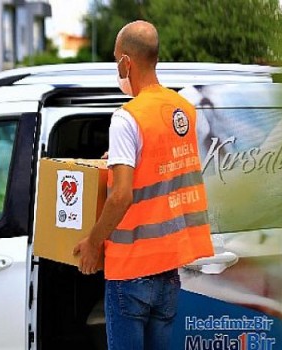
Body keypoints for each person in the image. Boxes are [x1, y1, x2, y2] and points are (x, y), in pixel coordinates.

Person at [72, 20, 215, 349]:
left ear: (126, 61)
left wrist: (93, 243)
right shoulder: (183, 110)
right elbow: (164, 170)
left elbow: (122, 195)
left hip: (131, 272)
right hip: (168, 270)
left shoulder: (126, 117)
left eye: (115, 59)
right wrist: (120, 159)